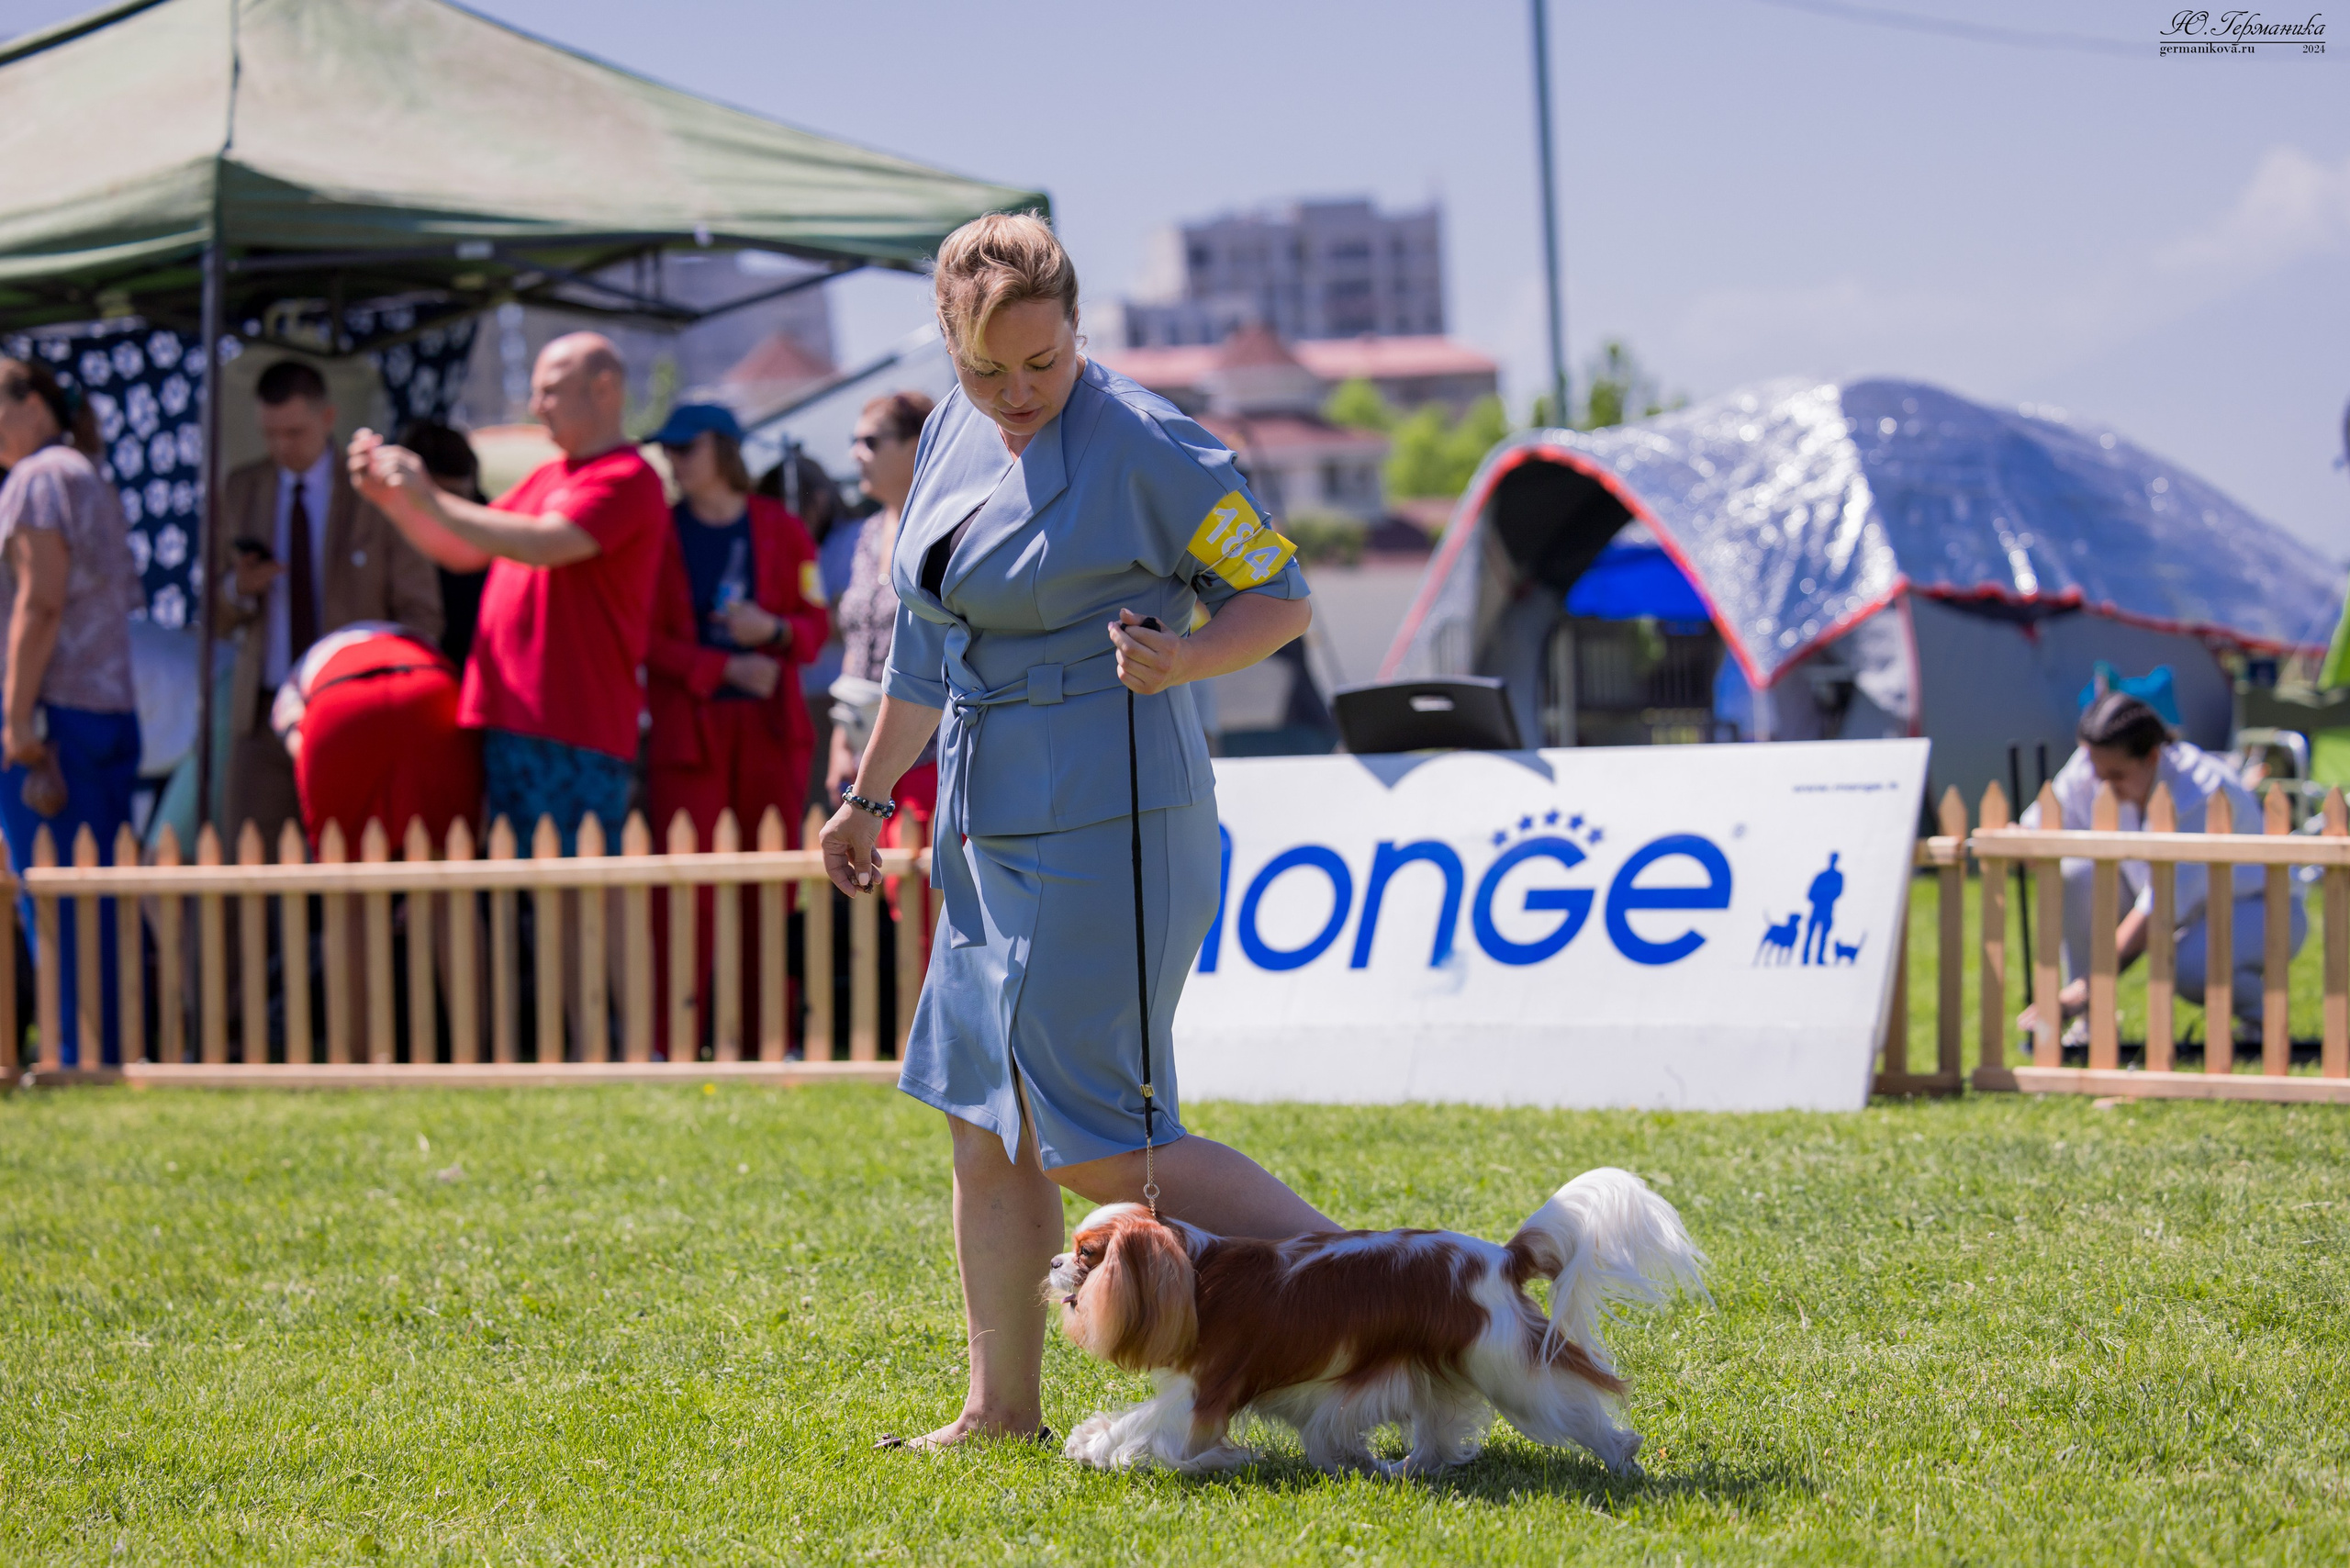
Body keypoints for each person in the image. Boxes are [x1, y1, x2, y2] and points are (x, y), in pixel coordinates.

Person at [821, 213, 1337, 1449]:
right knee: (985, 1120)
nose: (1015, 394)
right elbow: (927, 651)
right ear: (948, 348)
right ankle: (999, 1413)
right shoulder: (952, 429)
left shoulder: (1153, 443)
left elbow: (1281, 597)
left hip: (1113, 808)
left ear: (1077, 329)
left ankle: (1380, 1292)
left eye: (1042, 365)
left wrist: (1188, 656)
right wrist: (867, 793)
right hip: (983, 812)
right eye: (985, 370)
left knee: (1097, 1134)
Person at [348, 333, 666, 857]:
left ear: (604, 389)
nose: (536, 406)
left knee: (578, 901)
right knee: (525, 898)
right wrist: (394, 503)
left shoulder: (629, 478)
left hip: (575, 730)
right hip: (509, 719)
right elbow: (462, 548)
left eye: (550, 391)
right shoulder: (547, 476)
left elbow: (546, 545)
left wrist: (427, 494)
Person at [644, 403, 827, 1058]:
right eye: (667, 450)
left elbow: (813, 626)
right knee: (682, 888)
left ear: (723, 450)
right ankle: (671, 1041)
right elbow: (642, 639)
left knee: (769, 884)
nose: (673, 460)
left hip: (770, 732)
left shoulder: (782, 529)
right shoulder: (658, 532)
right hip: (688, 733)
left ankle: (770, 1037)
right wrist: (724, 665)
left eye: (685, 447)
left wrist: (772, 633)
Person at [218, 361, 442, 845]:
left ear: (328, 418)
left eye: (294, 432)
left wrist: (380, 685)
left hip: (352, 708)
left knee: (354, 856)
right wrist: (239, 589)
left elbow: (422, 615)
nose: (281, 446)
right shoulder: (242, 489)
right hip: (265, 709)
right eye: (270, 434)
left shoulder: (374, 494)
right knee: (249, 859)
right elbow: (213, 611)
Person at [2013, 691, 2305, 1046]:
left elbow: (2157, 909)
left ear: (2152, 756)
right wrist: (2017, 844)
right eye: (2096, 771)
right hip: (2175, 908)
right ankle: (2091, 1021)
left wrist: (2084, 986)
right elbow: (2038, 830)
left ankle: (2263, 1020)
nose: (2100, 784)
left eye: (2116, 775)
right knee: (2077, 873)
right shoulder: (2093, 760)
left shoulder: (2202, 791)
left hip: (2258, 909)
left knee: (2189, 967)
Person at [0, 355, 143, 1065]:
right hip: (110, 711)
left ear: (31, 403)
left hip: (55, 720)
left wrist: (16, 716)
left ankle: (70, 1056)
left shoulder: (36, 479)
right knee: (102, 898)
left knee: (54, 902)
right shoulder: (86, 474)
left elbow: (41, 601)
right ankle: (109, 1047)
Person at [826, 391, 937, 953]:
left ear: (916, 444)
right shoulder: (868, 534)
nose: (855, 454)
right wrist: (841, 742)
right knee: (903, 906)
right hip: (874, 764)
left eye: (870, 440)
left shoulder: (940, 526)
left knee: (938, 915)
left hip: (935, 754)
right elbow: (856, 641)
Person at [270, 622, 481, 854]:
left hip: (339, 702)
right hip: (428, 688)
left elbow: (293, 734)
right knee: (443, 845)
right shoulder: (411, 637)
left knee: (344, 855)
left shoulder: (307, 663)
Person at [392, 420, 489, 668]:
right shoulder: (388, 537)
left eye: (453, 500)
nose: (443, 515)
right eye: (430, 502)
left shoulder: (497, 538)